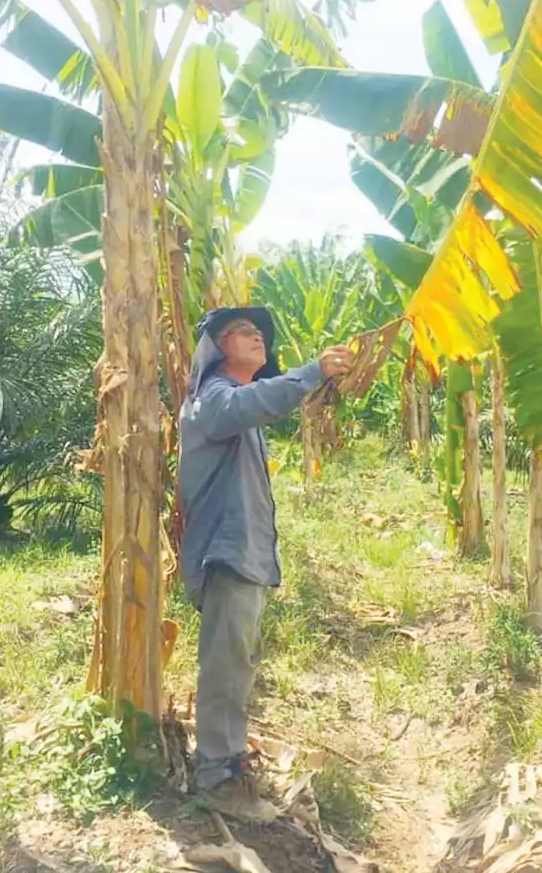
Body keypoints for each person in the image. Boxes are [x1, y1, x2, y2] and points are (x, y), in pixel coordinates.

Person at [178, 306, 351, 819]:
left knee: (239, 665)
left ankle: (228, 763)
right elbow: (252, 403)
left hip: (243, 555)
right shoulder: (212, 399)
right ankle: (215, 775)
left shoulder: (237, 410)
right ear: (216, 345)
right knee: (226, 669)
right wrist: (313, 371)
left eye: (260, 334)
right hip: (225, 554)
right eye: (245, 332)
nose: (257, 338)